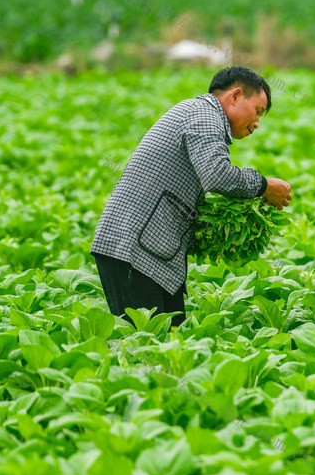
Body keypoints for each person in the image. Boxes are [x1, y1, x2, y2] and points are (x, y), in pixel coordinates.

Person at [90, 66, 292, 327]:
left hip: (150, 252)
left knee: (172, 339)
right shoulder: (204, 115)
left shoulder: (200, 113)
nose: (256, 124)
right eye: (257, 111)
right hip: (131, 251)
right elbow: (218, 175)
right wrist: (264, 186)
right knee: (143, 345)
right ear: (235, 96)